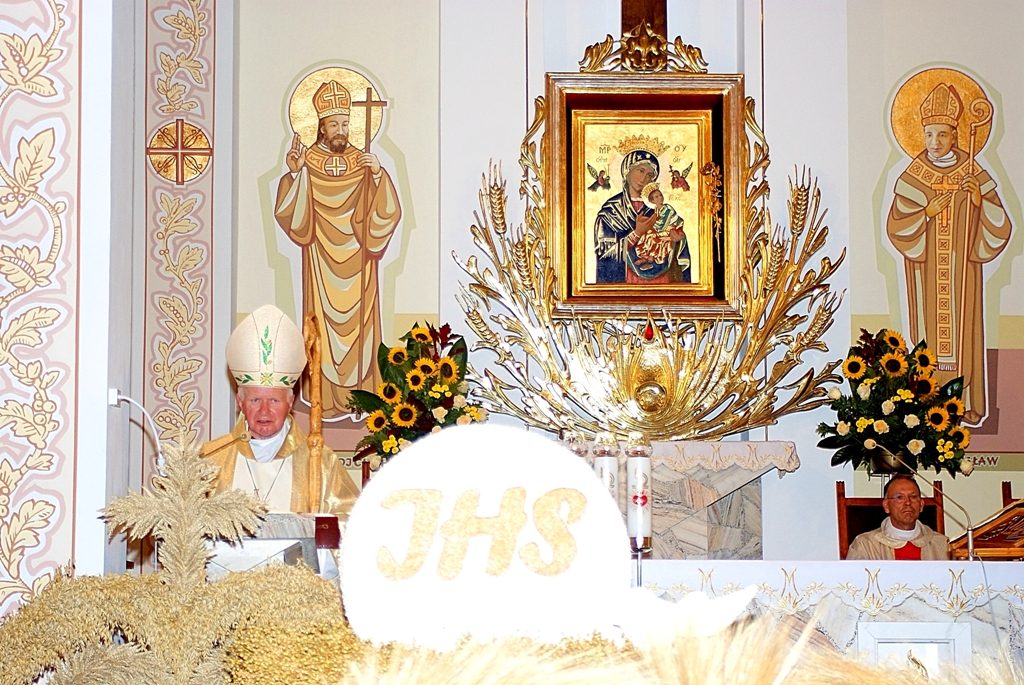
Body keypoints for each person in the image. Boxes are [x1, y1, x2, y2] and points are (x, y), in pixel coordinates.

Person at [275, 79, 403, 418]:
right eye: (334, 124)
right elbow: (291, 215)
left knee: (362, 330)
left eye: (345, 124)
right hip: (321, 263)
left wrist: (378, 175)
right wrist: (295, 174)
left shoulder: (363, 162)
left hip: (360, 264)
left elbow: (386, 213)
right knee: (322, 330)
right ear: (321, 126)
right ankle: (326, 399)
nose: (341, 130)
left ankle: (363, 399)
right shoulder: (308, 162)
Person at [886, 82, 1011, 425]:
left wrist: (978, 200)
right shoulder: (915, 175)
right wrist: (926, 213)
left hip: (962, 273)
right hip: (927, 274)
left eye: (942, 134)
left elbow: (999, 224)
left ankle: (965, 401)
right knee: (929, 339)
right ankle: (926, 404)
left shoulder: (972, 172)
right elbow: (897, 225)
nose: (935, 142)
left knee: (964, 334)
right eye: (929, 134)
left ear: (955, 135)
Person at [201, 304, 360, 517]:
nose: (264, 411)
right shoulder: (211, 459)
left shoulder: (320, 463)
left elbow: (353, 520)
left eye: (274, 401)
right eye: (255, 400)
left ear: (290, 402)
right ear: (240, 402)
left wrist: (318, 528)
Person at [593, 148, 660, 283]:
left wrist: (677, 240)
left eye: (649, 175)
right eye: (640, 171)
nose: (644, 179)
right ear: (627, 171)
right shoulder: (611, 211)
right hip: (623, 282)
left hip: (655, 281)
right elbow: (604, 256)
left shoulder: (657, 209)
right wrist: (636, 234)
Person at [846, 476, 949, 560]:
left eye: (913, 497)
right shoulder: (865, 545)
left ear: (921, 505)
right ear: (886, 506)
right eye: (900, 497)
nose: (908, 503)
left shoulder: (942, 545)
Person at [626, 182, 691, 282]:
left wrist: (650, 225)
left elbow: (662, 224)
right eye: (656, 197)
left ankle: (653, 258)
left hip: (669, 230)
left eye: (660, 195)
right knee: (646, 236)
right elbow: (655, 223)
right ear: (652, 200)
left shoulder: (667, 208)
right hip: (660, 230)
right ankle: (645, 258)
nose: (660, 197)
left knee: (652, 236)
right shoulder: (656, 210)